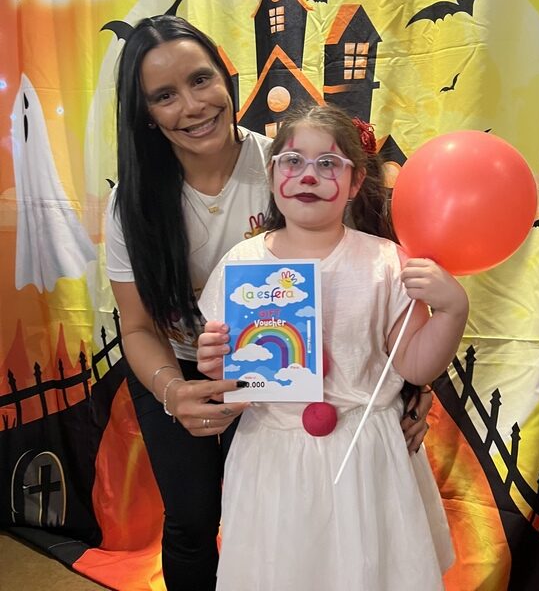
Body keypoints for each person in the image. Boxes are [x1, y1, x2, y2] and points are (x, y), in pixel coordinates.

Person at [104, 15, 432, 591]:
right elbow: (136, 327)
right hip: (179, 365)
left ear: (225, 78)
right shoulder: (131, 205)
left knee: (280, 517)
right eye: (164, 95)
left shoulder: (291, 162)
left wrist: (412, 384)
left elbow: (372, 284)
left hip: (286, 371)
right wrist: (173, 389)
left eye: (201, 79)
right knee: (190, 520)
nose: (193, 105)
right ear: (146, 114)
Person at [197, 103, 469, 591]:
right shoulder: (243, 264)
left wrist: (452, 310)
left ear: (355, 181)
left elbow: (413, 365)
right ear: (273, 172)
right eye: (293, 161)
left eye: (328, 163)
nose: (309, 175)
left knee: (371, 572)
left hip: (366, 454)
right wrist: (217, 368)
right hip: (273, 458)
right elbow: (235, 387)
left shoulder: (386, 262)